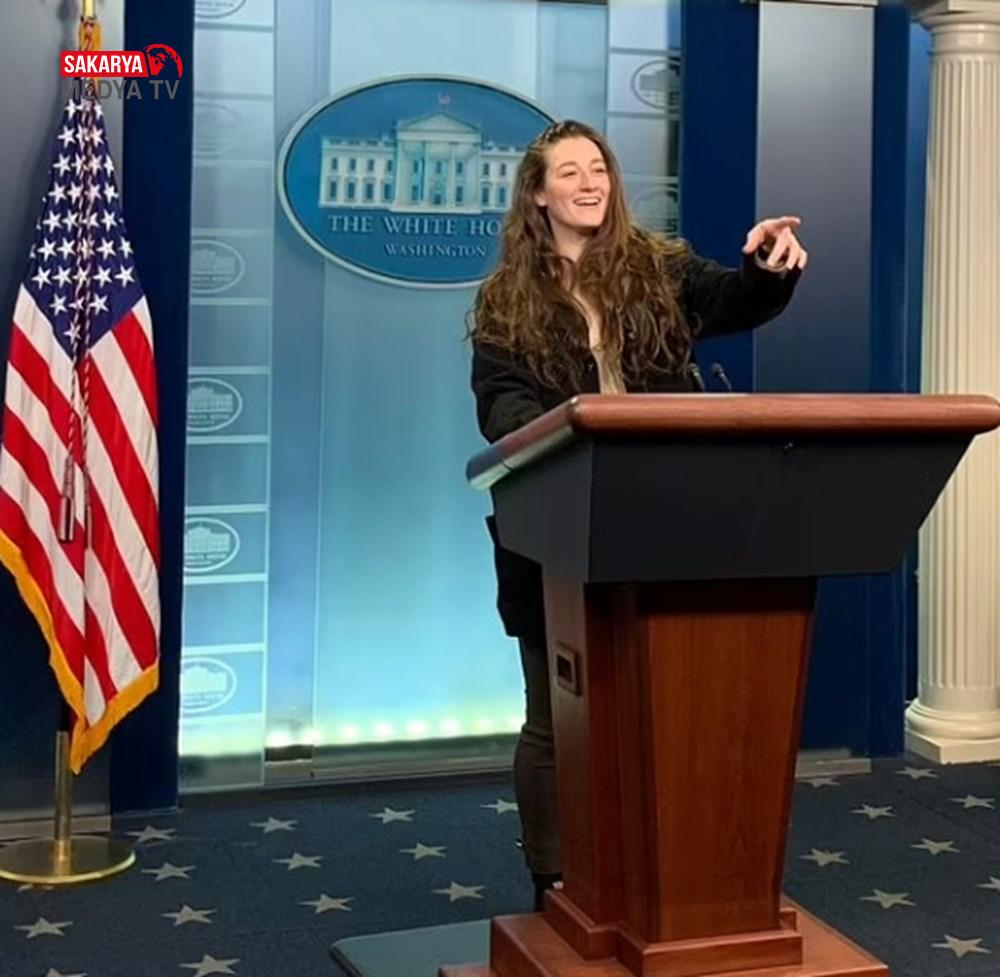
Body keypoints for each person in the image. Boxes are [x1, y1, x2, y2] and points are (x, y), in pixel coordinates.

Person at [467, 120, 806, 910]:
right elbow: (501, 406)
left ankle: (669, 870)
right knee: (557, 720)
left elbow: (734, 299)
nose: (590, 183)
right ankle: (554, 881)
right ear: (537, 194)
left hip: (665, 518)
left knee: (669, 710)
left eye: (599, 169)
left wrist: (766, 265)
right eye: (570, 172)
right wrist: (575, 428)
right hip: (554, 527)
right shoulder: (505, 299)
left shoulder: (659, 268)